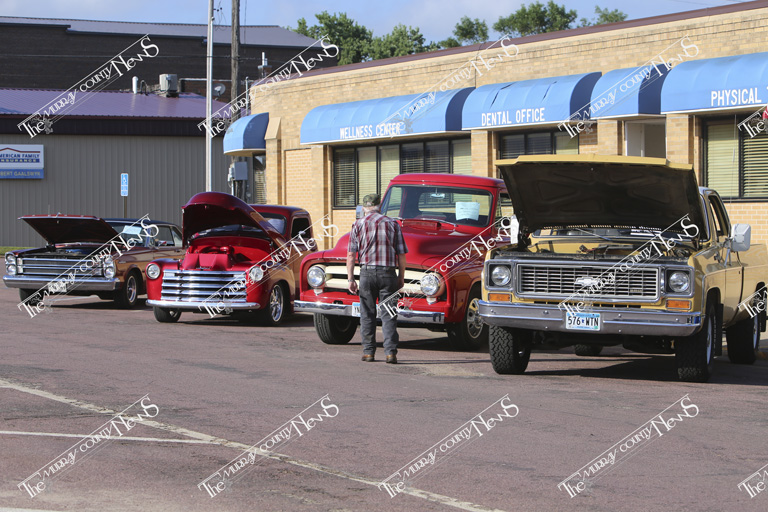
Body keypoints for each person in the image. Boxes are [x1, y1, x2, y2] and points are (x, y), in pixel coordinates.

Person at [347, 193, 408, 363]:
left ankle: (368, 352)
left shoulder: (357, 224)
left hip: (366, 273)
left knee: (367, 314)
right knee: (389, 314)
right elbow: (401, 254)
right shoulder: (392, 224)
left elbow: (351, 255)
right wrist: (401, 277)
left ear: (364, 208)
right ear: (379, 206)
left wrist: (351, 279)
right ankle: (390, 353)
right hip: (388, 274)